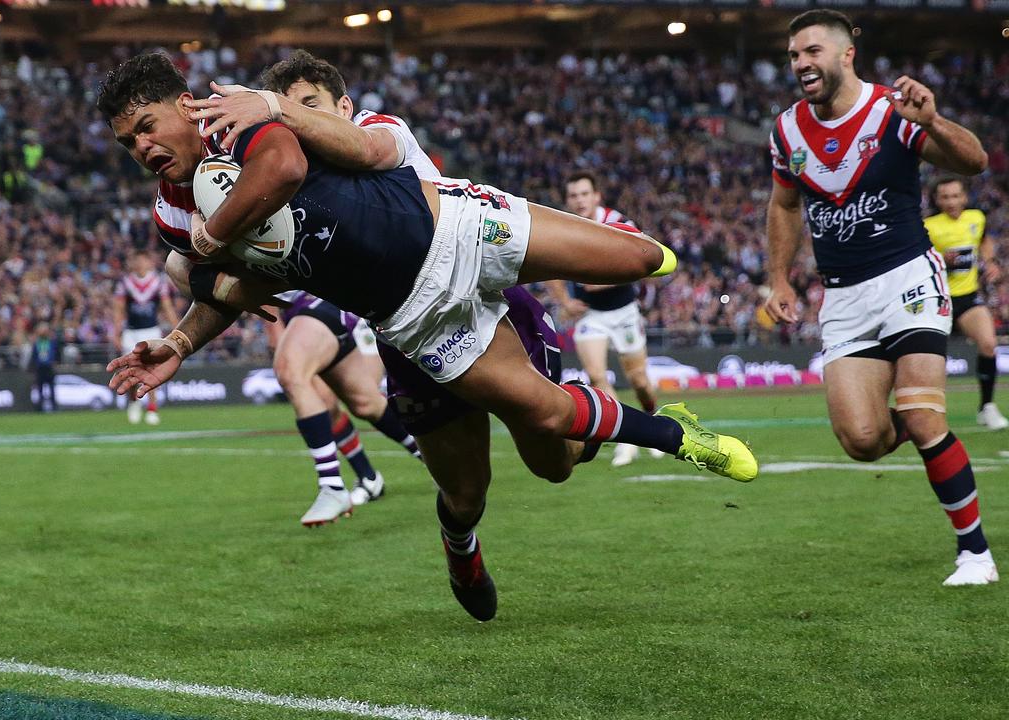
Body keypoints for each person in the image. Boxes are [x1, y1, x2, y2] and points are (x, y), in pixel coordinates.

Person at [99, 52, 758, 618]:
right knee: (514, 455)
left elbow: (287, 170)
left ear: (185, 106)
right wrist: (181, 339)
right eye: (128, 142)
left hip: (457, 226)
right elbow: (249, 288)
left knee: (640, 258)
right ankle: (668, 437)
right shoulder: (170, 216)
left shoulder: (239, 121)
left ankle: (712, 292)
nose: (142, 149)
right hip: (416, 316)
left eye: (146, 127)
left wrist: (212, 241)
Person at [764, 10, 995, 585]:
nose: (800, 64)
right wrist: (780, 277)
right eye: (794, 55)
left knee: (920, 413)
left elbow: (975, 161)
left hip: (907, 280)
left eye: (811, 52)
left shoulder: (895, 108)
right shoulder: (786, 130)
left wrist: (935, 122)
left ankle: (975, 554)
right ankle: (927, 426)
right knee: (862, 441)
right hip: (842, 298)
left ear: (846, 55)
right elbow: (785, 205)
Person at [206, 51, 434, 526]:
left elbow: (370, 151)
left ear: (345, 106)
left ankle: (333, 486)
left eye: (312, 104)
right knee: (358, 400)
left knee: (292, 370)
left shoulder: (375, 128)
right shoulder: (295, 162)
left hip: (383, 282)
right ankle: (396, 467)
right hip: (347, 296)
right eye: (295, 109)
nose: (303, 119)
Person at [545, 172, 662, 467]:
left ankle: (654, 421)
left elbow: (640, 262)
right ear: (568, 200)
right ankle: (625, 439)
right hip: (591, 314)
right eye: (573, 195)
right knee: (598, 377)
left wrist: (600, 278)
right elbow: (549, 267)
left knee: (639, 381)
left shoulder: (618, 222)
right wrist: (565, 302)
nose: (579, 200)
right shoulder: (564, 226)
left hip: (624, 311)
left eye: (584, 194)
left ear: (596, 196)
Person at [923, 177, 1006, 431]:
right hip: (935, 300)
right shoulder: (927, 226)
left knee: (988, 343)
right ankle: (923, 411)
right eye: (945, 197)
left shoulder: (975, 218)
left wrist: (990, 261)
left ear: (964, 197)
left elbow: (983, 240)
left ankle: (987, 407)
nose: (951, 201)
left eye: (955, 196)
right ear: (936, 200)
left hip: (967, 297)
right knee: (929, 359)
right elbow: (916, 262)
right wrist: (939, 261)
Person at [113, 251, 178, 425]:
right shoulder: (125, 283)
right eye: (138, 260)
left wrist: (177, 328)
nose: (141, 263)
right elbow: (119, 309)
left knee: (151, 370)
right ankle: (134, 402)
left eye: (144, 260)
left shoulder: (158, 282)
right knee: (130, 371)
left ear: (149, 262)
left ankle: (152, 408)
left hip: (151, 331)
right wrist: (116, 332)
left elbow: (167, 306)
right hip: (131, 332)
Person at [30, 323, 58, 413]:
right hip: (40, 368)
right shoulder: (37, 343)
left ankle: (54, 407)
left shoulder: (51, 342)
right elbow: (34, 356)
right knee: (40, 389)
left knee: (51, 388)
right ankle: (40, 407)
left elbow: (56, 352)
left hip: (49, 367)